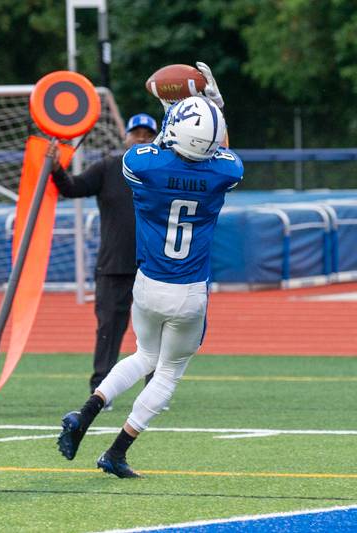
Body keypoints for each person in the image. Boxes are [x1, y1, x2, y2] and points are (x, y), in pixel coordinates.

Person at [56, 92, 242, 478]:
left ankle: (85, 413)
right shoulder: (223, 172)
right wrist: (216, 112)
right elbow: (222, 151)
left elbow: (157, 148)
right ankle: (116, 452)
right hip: (189, 291)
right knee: (168, 372)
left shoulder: (143, 164)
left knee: (143, 356)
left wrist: (177, 113)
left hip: (147, 283)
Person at [47, 113, 158, 405]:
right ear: (126, 137)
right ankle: (101, 390)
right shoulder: (109, 167)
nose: (142, 138)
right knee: (109, 327)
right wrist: (55, 167)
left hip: (154, 264)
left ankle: (156, 389)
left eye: (148, 134)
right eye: (137, 133)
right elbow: (72, 188)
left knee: (156, 328)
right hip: (114, 264)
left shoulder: (164, 170)